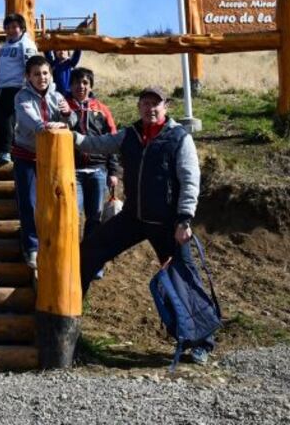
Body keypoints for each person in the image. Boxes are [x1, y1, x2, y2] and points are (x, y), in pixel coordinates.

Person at [73, 86, 212, 365]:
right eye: (145, 103)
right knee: (88, 252)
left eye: (155, 104)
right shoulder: (130, 135)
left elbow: (190, 180)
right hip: (133, 218)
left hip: (168, 224)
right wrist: (70, 136)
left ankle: (200, 343)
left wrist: (184, 219)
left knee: (183, 278)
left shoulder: (179, 138)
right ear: (139, 107)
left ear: (166, 107)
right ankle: (69, 320)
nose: (150, 108)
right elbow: (97, 144)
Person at [12, 55, 74, 271]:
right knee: (29, 202)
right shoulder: (21, 97)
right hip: (26, 155)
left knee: (55, 201)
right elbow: (30, 120)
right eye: (37, 74)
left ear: (51, 74)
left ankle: (52, 241)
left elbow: (71, 123)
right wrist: (47, 126)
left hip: (52, 156)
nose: (42, 78)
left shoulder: (57, 96)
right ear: (28, 76)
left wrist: (67, 114)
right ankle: (31, 246)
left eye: (45, 73)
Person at [66, 67, 120, 279]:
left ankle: (92, 261)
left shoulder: (102, 110)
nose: (81, 86)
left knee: (95, 218)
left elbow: (113, 141)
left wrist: (113, 171)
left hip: (98, 170)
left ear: (91, 86)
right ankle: (72, 260)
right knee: (72, 216)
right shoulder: (64, 107)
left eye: (85, 83)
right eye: (77, 83)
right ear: (70, 85)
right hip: (72, 170)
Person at [0, 13, 38, 164]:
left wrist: (30, 88)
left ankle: (7, 151)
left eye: (14, 27)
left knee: (7, 120)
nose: (11, 30)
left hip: (14, 87)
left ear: (22, 28)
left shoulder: (26, 44)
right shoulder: (4, 46)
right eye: (8, 27)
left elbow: (32, 66)